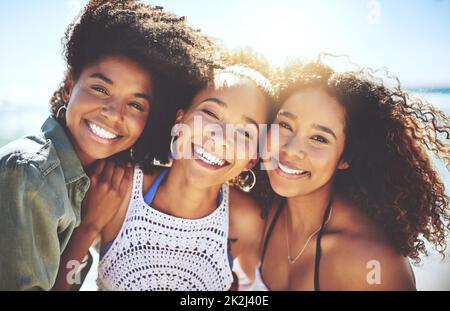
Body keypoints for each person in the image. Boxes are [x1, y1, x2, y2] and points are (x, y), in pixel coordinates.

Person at [0, 0, 214, 290]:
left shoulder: (93, 178)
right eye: (100, 89)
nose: (114, 113)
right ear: (68, 86)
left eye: (136, 104)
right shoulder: (30, 172)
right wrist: (87, 228)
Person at [56, 59, 276, 290]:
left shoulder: (247, 222)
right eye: (210, 113)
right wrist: (87, 227)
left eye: (245, 133)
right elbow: (64, 285)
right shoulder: (117, 188)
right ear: (180, 118)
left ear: (252, 158)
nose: (220, 137)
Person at [253, 60, 449, 290]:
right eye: (285, 125)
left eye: (319, 138)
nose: (291, 149)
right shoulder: (255, 210)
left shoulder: (372, 262)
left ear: (345, 158)